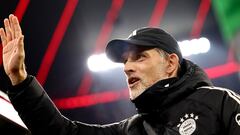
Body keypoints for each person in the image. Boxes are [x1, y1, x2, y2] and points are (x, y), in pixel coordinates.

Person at [0, 14, 240, 135]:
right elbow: (64, 133)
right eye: (125, 61)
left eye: (139, 57)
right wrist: (19, 79)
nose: (126, 67)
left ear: (171, 63)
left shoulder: (220, 102)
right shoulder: (132, 129)